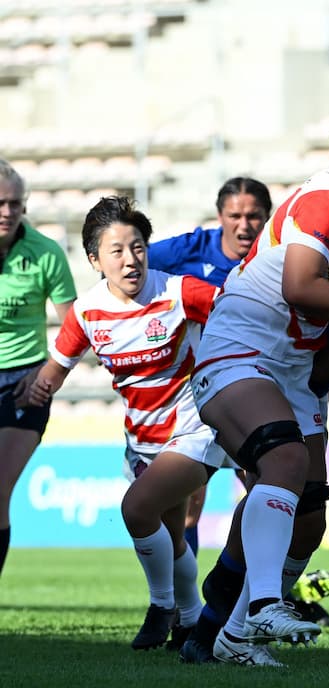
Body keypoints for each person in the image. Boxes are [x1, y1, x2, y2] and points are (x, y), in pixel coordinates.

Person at [188, 111, 329, 667]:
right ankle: (264, 602)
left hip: (291, 368)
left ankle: (232, 636)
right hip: (241, 346)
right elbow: (299, 286)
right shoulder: (328, 197)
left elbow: (322, 358)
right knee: (283, 460)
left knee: (308, 517)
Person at [25, 196, 224, 651]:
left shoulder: (179, 292)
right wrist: (33, 390)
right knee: (173, 539)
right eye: (117, 251)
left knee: (137, 510)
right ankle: (191, 622)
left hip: (194, 429)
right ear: (95, 260)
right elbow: (55, 370)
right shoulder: (88, 313)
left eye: (137, 247)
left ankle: (160, 607)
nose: (130, 259)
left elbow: (241, 313)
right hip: (142, 438)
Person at [148, 176, 271, 555]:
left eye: (253, 216)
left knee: (265, 492)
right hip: (196, 390)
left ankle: (265, 593)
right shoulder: (190, 250)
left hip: (258, 385)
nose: (244, 224)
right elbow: (127, 265)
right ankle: (181, 606)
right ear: (220, 216)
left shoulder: (279, 255)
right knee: (187, 503)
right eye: (235, 215)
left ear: (267, 217)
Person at [0, 159, 76, 580]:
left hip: (23, 384)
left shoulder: (45, 253)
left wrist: (45, 376)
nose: (7, 212)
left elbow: (74, 329)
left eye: (14, 203)